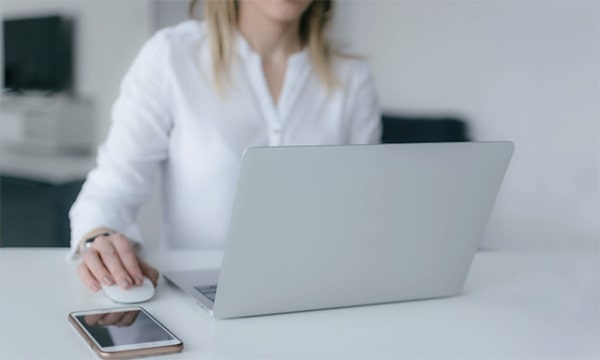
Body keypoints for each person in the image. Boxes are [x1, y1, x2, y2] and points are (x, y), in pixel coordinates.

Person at [70, 0, 381, 293]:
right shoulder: (171, 57)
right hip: (199, 296)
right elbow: (111, 191)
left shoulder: (352, 78)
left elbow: (363, 212)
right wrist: (98, 238)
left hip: (318, 294)